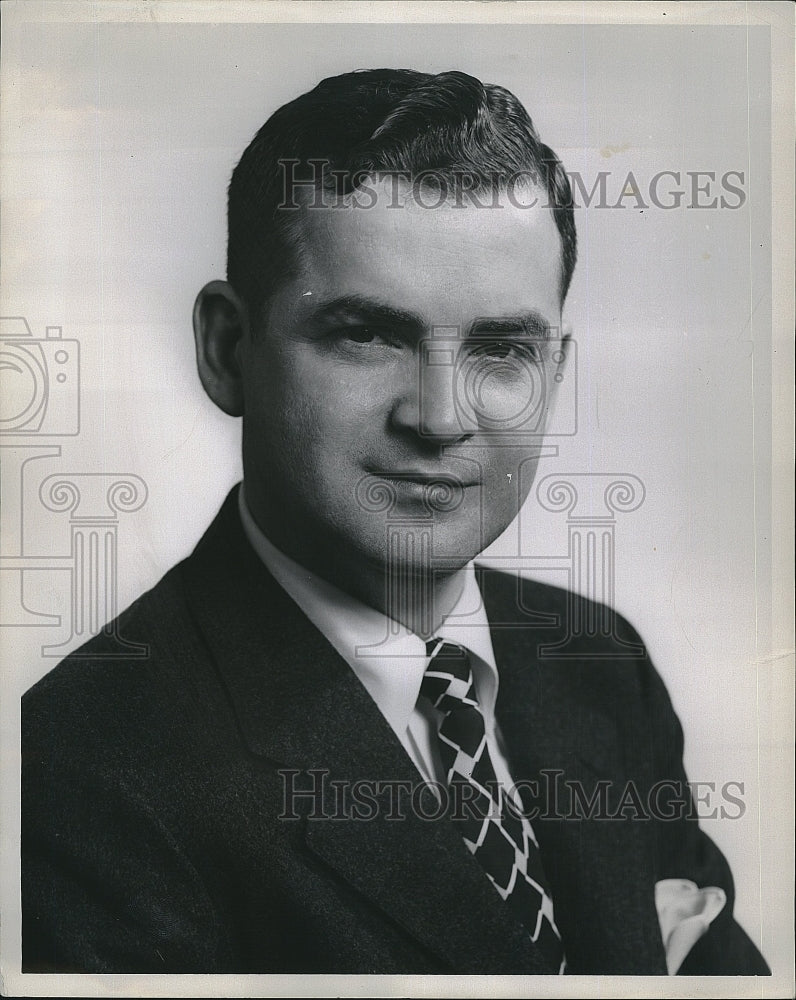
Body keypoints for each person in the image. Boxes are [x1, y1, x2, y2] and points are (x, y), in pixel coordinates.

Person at [21, 68, 769, 976]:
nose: (442, 416)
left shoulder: (599, 665)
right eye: (367, 334)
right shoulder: (75, 773)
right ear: (227, 351)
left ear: (555, 375)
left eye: (501, 349)